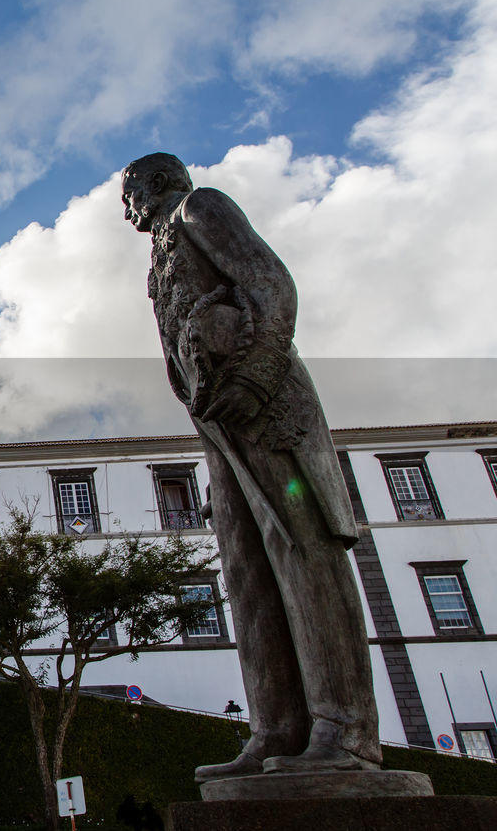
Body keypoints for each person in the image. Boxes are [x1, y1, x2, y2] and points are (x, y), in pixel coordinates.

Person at [121, 153, 380, 780]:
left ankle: (345, 732)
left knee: (302, 550)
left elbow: (270, 283)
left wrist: (258, 378)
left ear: (152, 184)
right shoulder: (160, 248)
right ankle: (276, 729)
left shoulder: (198, 207)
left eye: (127, 194)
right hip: (218, 427)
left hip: (260, 403)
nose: (124, 210)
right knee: (245, 571)